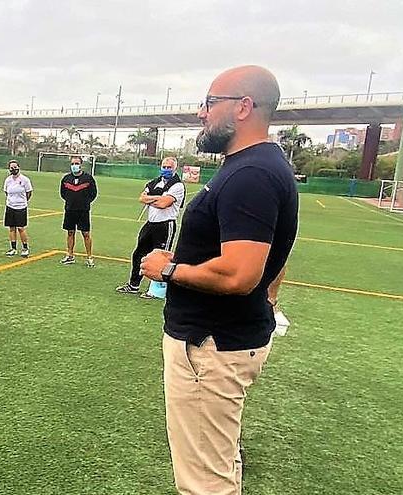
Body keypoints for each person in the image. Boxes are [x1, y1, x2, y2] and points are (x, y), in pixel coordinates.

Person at [139, 65, 298, 495]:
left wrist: (167, 269)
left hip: (209, 347)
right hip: (224, 340)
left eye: (210, 102)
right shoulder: (257, 166)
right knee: (219, 463)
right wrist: (189, 259)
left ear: (244, 107)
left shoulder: (251, 174)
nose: (200, 113)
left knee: (205, 481)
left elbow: (241, 273)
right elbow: (266, 259)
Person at [116, 157, 186, 297]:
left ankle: (156, 291)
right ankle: (133, 285)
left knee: (161, 257)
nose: (166, 169)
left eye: (169, 167)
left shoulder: (177, 185)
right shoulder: (155, 182)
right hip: (150, 224)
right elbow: (142, 198)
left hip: (166, 224)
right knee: (138, 254)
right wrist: (156, 199)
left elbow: (164, 204)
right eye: (164, 166)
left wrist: (152, 199)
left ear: (175, 169)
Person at [59, 156, 98, 267]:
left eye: (76, 163)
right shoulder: (66, 178)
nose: (74, 166)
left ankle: (89, 257)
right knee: (70, 232)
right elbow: (63, 193)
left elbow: (93, 193)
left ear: (81, 164)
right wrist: (70, 201)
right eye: (72, 164)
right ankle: (70, 255)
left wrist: (85, 203)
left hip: (83, 211)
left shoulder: (88, 178)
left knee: (86, 233)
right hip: (70, 210)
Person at [3, 160, 33, 257]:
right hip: (10, 206)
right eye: (11, 168)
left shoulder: (25, 180)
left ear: (19, 167)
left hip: (21, 207)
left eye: (15, 167)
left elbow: (29, 192)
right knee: (12, 228)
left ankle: (25, 248)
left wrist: (23, 201)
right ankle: (13, 248)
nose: (13, 169)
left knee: (21, 228)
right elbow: (6, 192)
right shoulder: (8, 180)